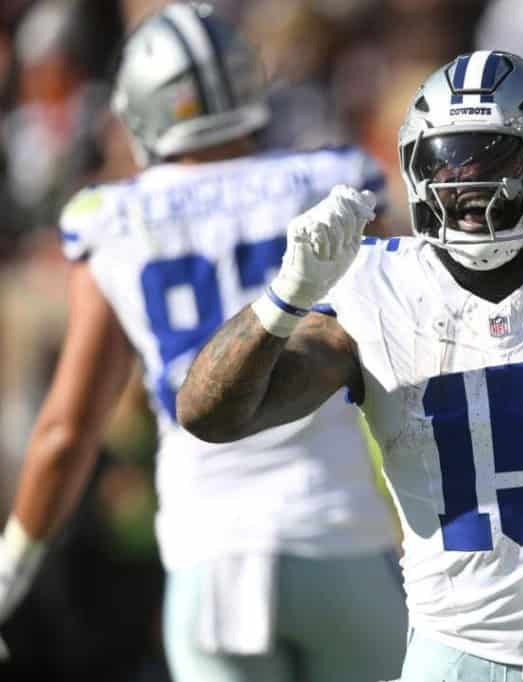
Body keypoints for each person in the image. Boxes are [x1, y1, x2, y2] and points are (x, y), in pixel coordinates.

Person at [176, 50, 523, 682]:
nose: (466, 183)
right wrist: (284, 296)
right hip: (453, 654)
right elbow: (208, 415)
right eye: (447, 160)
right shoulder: (374, 289)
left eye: (494, 159)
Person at [0, 4, 406, 681]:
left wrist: (10, 571)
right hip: (339, 536)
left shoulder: (114, 218)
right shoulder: (331, 182)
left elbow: (67, 433)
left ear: (140, 109)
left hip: (209, 554)